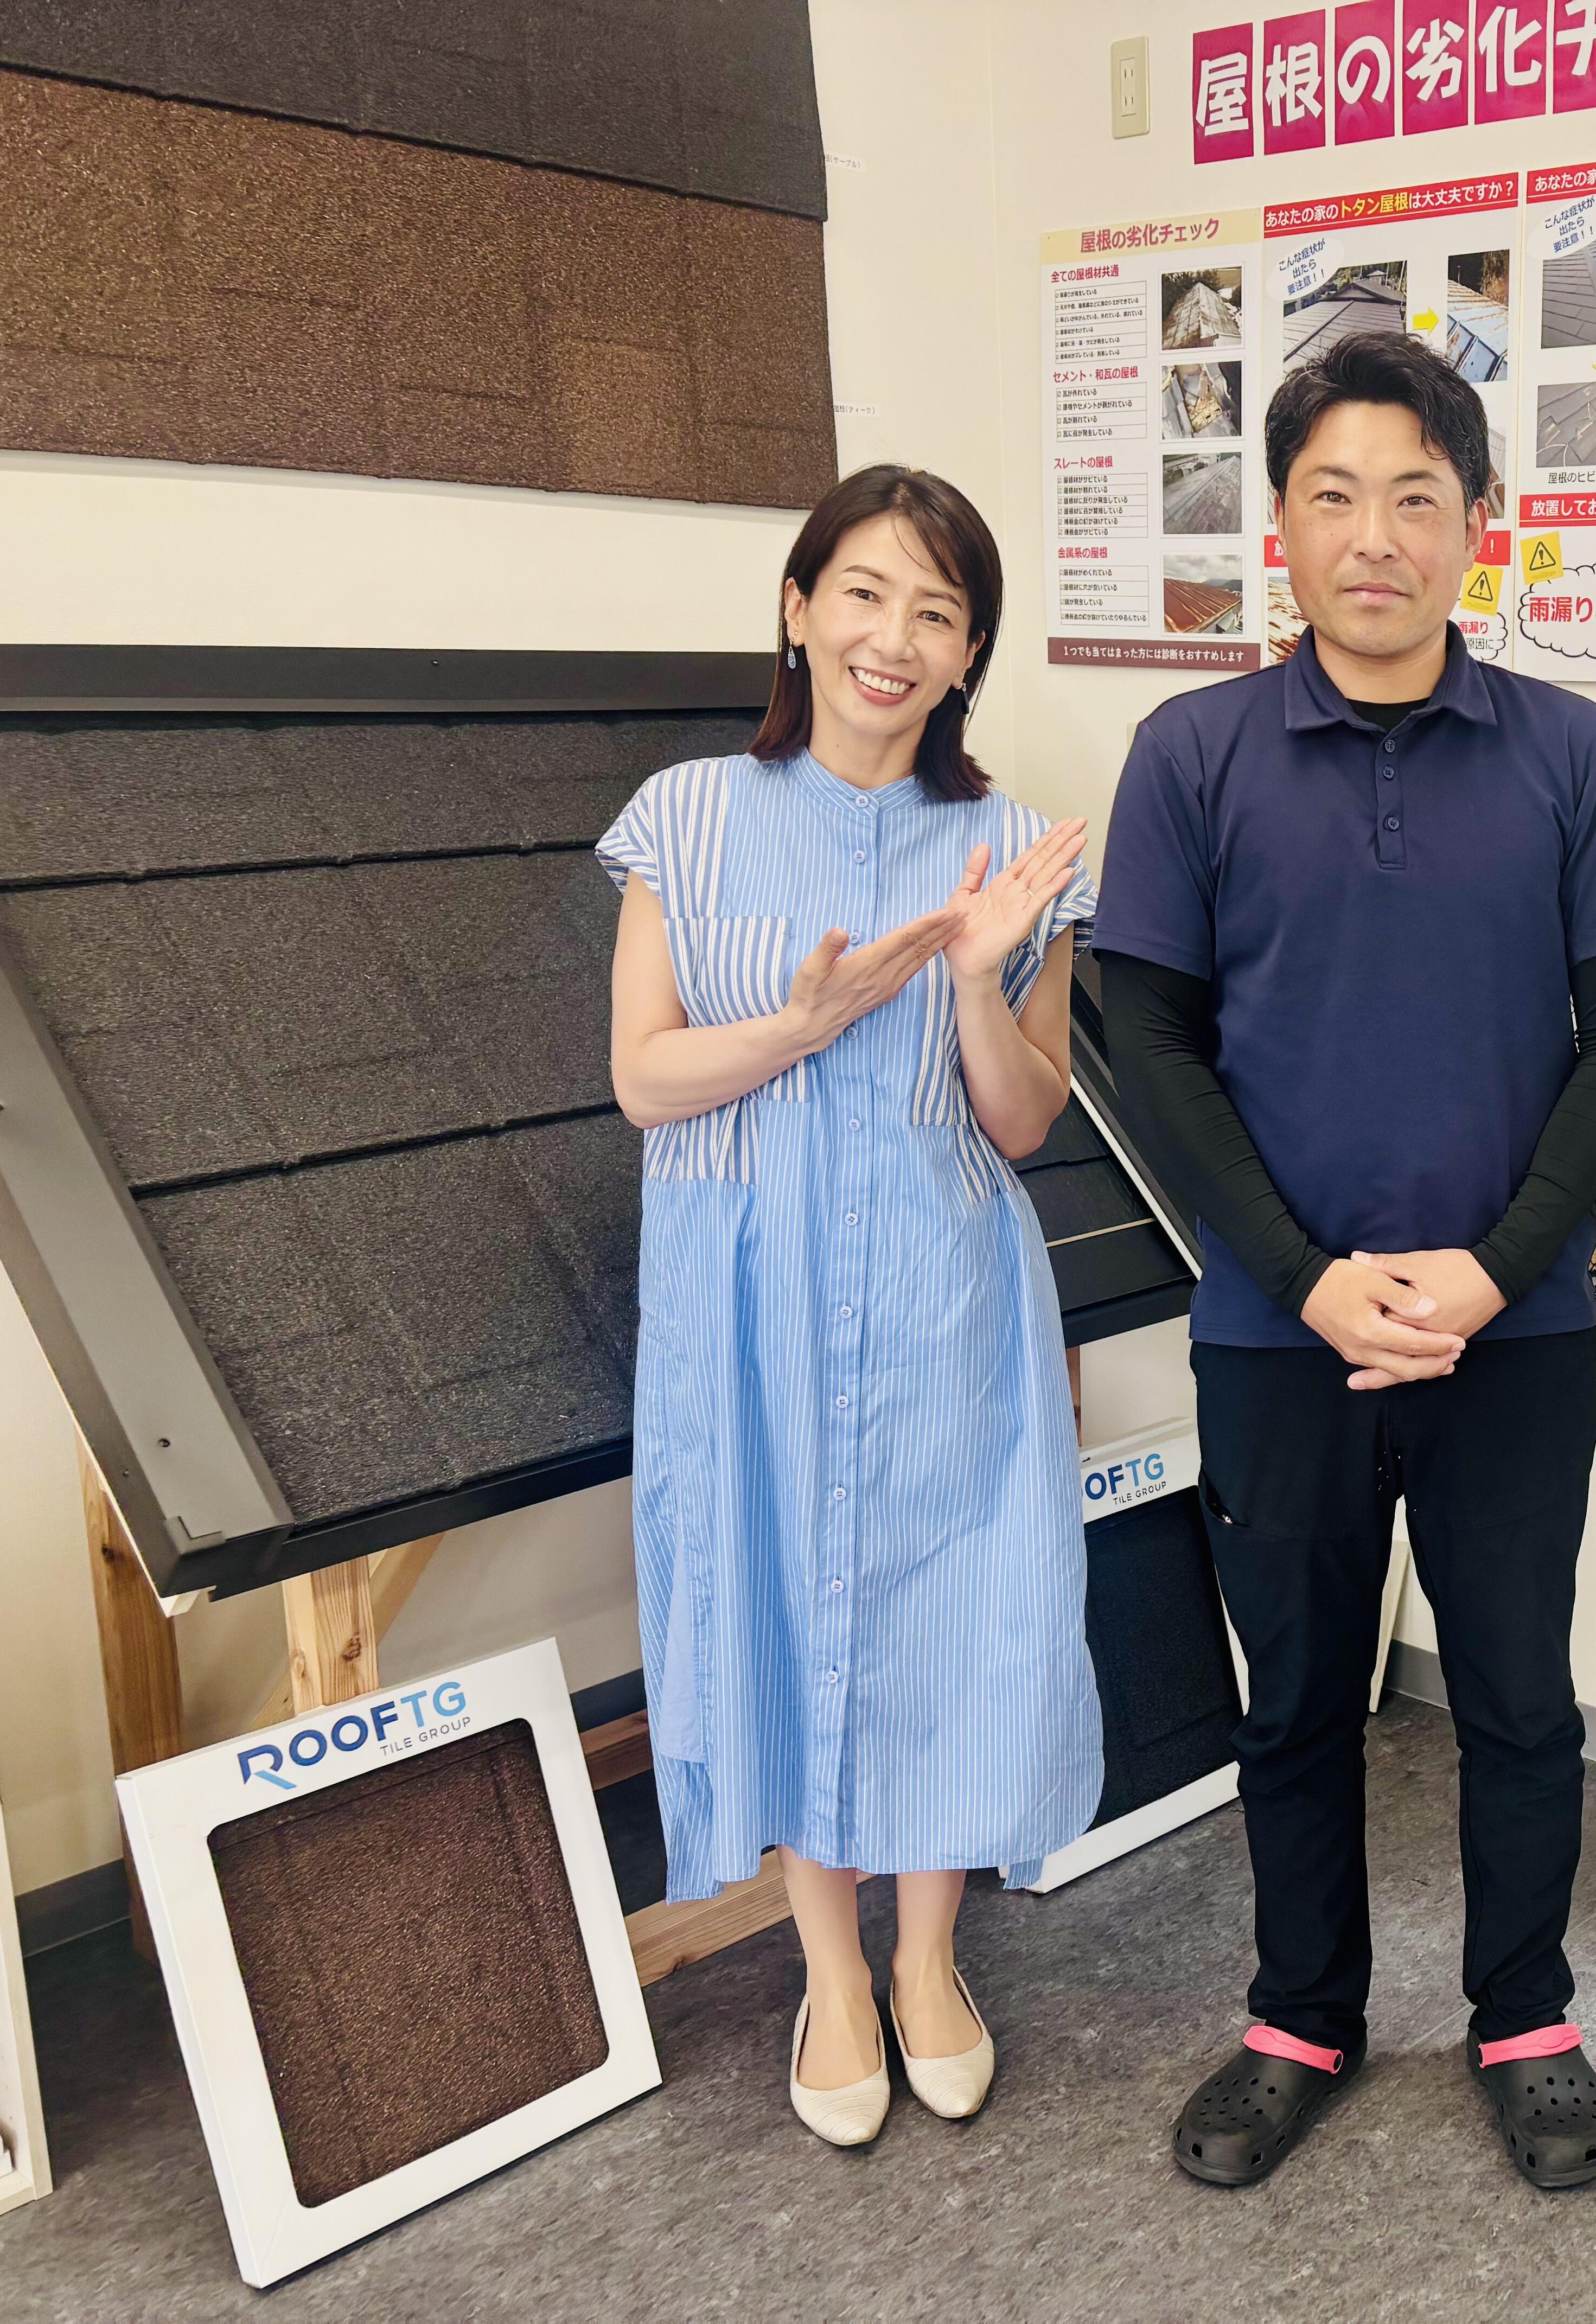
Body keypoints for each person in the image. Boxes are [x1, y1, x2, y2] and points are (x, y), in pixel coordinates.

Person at [1094, 333, 1596, 2192]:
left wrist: (1496, 1272)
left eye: (1417, 497)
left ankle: (1527, 2015)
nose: (1376, 537)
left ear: (1477, 523)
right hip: (1282, 1335)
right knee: (1295, 1698)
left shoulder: (1572, 753)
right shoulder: (1190, 756)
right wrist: (1302, 1273)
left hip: (1520, 1332)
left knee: (1519, 1694)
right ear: (1279, 523)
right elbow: (1151, 1043)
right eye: (1335, 495)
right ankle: (1302, 2013)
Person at [600, 464, 1102, 2148]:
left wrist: (970, 975)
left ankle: (930, 1958)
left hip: (946, 1287)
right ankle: (831, 1973)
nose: (895, 638)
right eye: (866, 594)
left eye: (937, 612)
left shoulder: (1014, 848)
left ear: (968, 655)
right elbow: (645, 1079)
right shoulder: (683, 816)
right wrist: (801, 1027)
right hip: (743, 1292)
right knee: (780, 1599)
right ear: (799, 609)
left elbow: (1021, 1119)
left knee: (953, 1604)